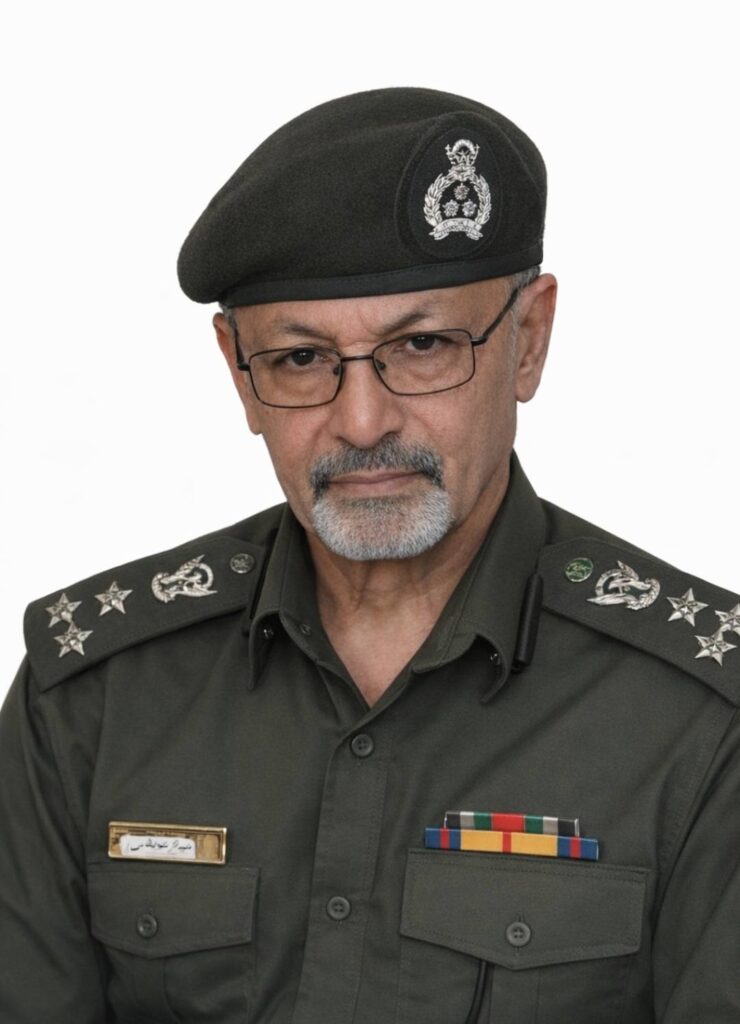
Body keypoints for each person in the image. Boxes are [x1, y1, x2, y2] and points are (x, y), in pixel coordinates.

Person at [1, 87, 738, 1024]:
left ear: (529, 341)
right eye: (301, 359)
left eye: (422, 345)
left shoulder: (703, 717)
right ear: (238, 372)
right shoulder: (95, 695)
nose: (361, 422)